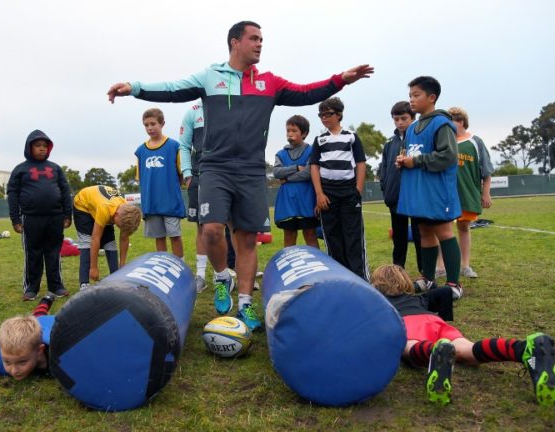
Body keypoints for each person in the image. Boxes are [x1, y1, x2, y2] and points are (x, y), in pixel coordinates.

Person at [107, 20, 373, 331]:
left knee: (247, 239)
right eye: (254, 38)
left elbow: (306, 93)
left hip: (250, 170)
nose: (260, 44)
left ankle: (246, 303)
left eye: (262, 39)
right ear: (235, 42)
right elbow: (172, 90)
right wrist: (134, 89)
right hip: (216, 166)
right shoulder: (211, 76)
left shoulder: (269, 82)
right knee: (211, 231)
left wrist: (340, 80)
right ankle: (222, 277)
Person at [371, 264, 555, 406]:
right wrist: (446, 320)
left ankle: (434, 351)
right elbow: (445, 291)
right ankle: (523, 349)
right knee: (467, 350)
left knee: (408, 347)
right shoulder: (418, 298)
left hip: (407, 324)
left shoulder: (377, 302)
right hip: (436, 323)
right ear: (405, 282)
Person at [395, 76, 463, 299]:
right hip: (418, 190)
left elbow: (448, 156)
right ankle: (428, 279)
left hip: (437, 190)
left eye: (417, 95)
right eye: (410, 96)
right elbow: (411, 154)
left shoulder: (442, 123)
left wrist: (415, 161)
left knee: (443, 232)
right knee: (424, 233)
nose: (412, 100)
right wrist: (402, 160)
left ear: (431, 97)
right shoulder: (413, 127)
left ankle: (454, 284)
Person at [7, 130, 72, 301]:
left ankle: (56, 285)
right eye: (37, 146)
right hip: (30, 218)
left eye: (44, 146)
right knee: (33, 254)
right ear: (29, 148)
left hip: (55, 217)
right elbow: (12, 194)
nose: (41, 149)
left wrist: (67, 215)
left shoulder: (55, 168)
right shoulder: (20, 169)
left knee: (54, 252)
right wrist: (15, 219)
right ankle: (31, 288)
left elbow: (65, 191)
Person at [310, 97, 369, 280]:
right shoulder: (320, 140)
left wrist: (357, 189)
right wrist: (319, 194)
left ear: (339, 114)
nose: (324, 118)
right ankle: (341, 278)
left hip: (349, 192)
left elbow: (360, 163)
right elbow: (314, 166)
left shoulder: (351, 136)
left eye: (328, 114)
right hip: (327, 193)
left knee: (353, 237)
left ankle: (360, 278)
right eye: (321, 115)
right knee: (332, 237)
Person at [435, 107, 494, 279]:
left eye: (450, 121)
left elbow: (486, 171)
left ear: (460, 121)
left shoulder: (475, 142)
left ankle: (465, 265)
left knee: (464, 227)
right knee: (443, 229)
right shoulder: (443, 142)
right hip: (445, 194)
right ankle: (440, 266)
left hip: (467, 194)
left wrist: (486, 193)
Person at [0, 294, 56, 387]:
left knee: (40, 318)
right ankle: (46, 300)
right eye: (7, 362)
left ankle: (46, 300)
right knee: (36, 318)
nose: (14, 370)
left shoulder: (59, 354)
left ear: (39, 351)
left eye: (22, 362)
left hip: (50, 327)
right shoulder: (1, 355)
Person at [135, 108, 186, 258]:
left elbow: (181, 174)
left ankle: (180, 267)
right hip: (151, 203)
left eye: (153, 124)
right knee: (159, 237)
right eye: (146, 125)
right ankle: (164, 267)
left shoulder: (174, 146)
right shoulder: (140, 151)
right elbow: (141, 178)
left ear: (162, 123)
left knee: (175, 236)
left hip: (170, 202)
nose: (150, 128)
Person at [378, 101, 422, 272]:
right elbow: (383, 168)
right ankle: (398, 271)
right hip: (395, 196)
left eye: (404, 118)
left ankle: (424, 273)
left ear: (413, 118)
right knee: (399, 236)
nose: (400, 123)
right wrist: (386, 188)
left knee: (420, 235)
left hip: (416, 196)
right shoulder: (390, 142)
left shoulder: (419, 138)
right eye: (396, 119)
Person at [72, 185, 141, 289]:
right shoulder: (105, 209)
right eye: (120, 225)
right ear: (116, 214)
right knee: (86, 241)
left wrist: (122, 266)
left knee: (110, 242)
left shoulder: (126, 211)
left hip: (103, 207)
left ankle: (116, 277)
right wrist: (94, 268)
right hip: (82, 205)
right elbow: (95, 239)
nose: (121, 228)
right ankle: (84, 283)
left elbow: (124, 238)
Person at [273, 115, 319, 248]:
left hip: (307, 200)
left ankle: (316, 266)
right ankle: (289, 266)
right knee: (289, 235)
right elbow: (276, 172)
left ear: (304, 133)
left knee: (310, 234)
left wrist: (286, 179)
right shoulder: (280, 154)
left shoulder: (312, 151)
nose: (290, 134)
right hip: (287, 202)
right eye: (288, 130)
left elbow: (309, 173)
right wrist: (296, 167)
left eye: (294, 131)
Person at [180, 102, 208, 291]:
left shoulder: (231, 103)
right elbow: (184, 145)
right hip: (199, 175)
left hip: (228, 172)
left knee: (234, 227)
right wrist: (187, 172)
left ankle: (233, 272)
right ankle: (201, 275)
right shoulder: (193, 112)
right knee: (202, 227)